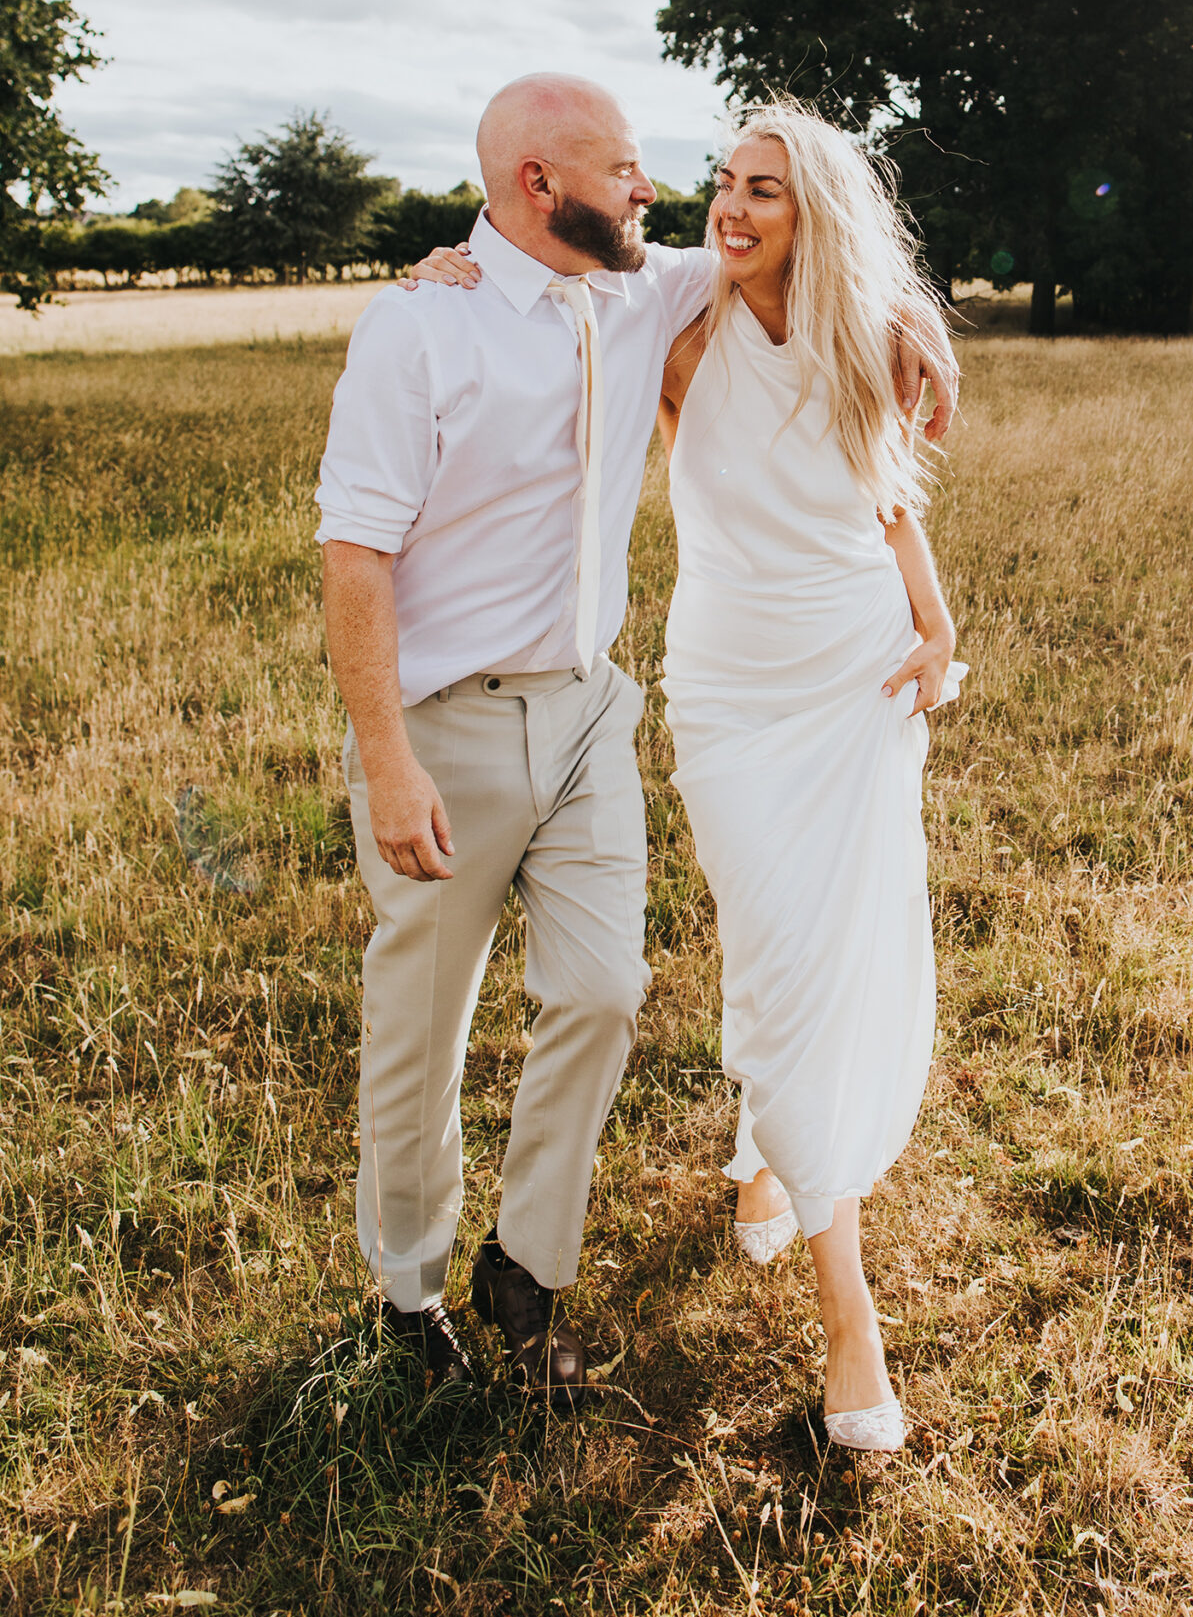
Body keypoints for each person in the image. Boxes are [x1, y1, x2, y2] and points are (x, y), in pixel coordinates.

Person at [316, 73, 956, 1406]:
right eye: (626, 171)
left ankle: (528, 1269)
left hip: (590, 713)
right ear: (539, 185)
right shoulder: (419, 327)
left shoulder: (639, 287)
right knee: (423, 1024)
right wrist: (388, 759)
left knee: (606, 992)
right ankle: (410, 1290)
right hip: (448, 728)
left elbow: (820, 270)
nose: (657, 192)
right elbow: (356, 555)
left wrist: (917, 328)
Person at [658, 103, 962, 1454]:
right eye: (724, 182)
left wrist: (934, 619)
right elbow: (543, 282)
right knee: (771, 937)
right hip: (728, 694)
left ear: (816, 212)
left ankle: (835, 1288)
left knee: (818, 957)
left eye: (764, 189)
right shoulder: (680, 331)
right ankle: (836, 1278)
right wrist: (449, 260)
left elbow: (885, 492)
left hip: (854, 678)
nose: (731, 207)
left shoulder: (876, 343)